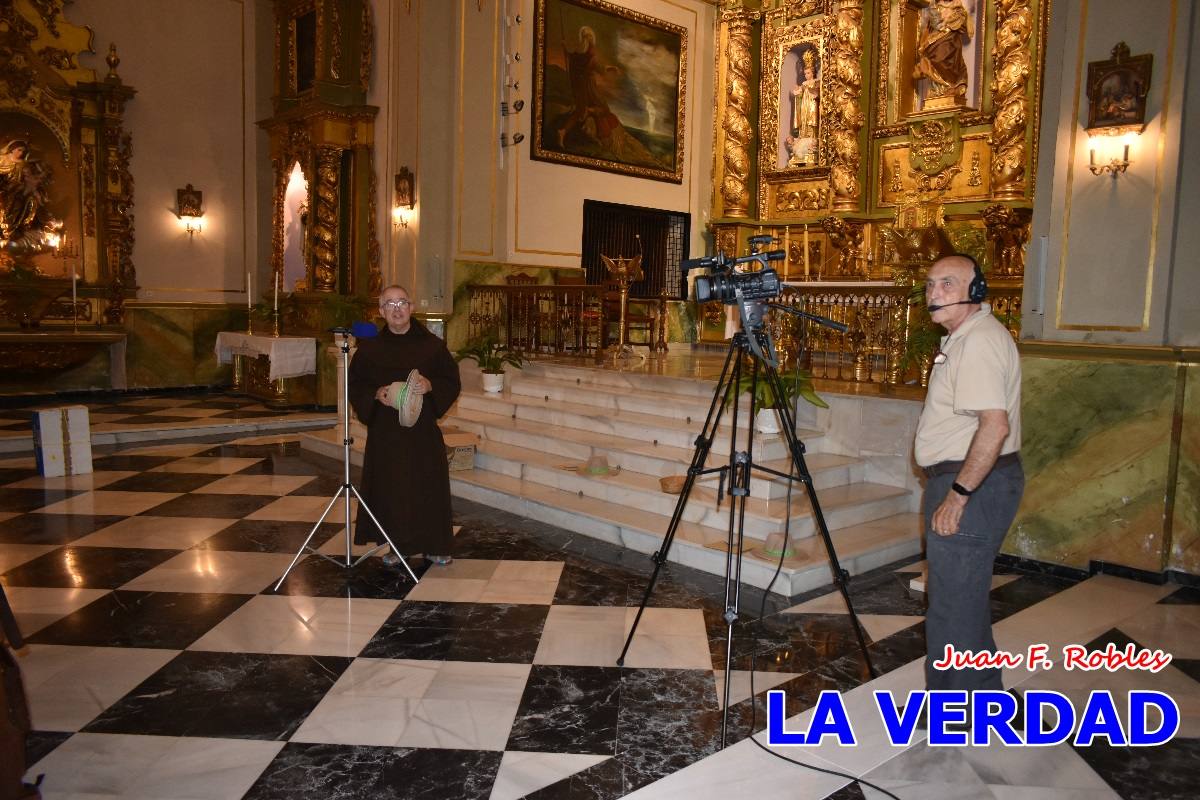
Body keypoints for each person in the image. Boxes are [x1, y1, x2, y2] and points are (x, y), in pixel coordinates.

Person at [914, 254, 1023, 693]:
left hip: (972, 483)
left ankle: (952, 712)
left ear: (975, 291)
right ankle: (984, 699)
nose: (934, 293)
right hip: (975, 479)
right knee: (963, 599)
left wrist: (958, 495)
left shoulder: (978, 341)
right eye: (930, 284)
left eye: (947, 284)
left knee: (953, 604)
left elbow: (994, 425)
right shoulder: (966, 338)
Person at [348, 285, 461, 567]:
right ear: (381, 312)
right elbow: (356, 384)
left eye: (402, 303)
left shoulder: (432, 346)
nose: (397, 309)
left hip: (421, 431)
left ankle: (436, 546)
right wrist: (376, 394)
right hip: (386, 434)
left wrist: (430, 384)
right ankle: (398, 546)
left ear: (411, 308)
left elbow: (451, 381)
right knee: (391, 489)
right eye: (390, 304)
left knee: (428, 486)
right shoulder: (369, 349)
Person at [912, 0, 972, 103]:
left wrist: (957, 19)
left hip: (951, 40)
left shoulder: (957, 6)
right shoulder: (935, 7)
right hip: (936, 39)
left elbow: (963, 26)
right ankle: (939, 89)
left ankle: (951, 86)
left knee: (947, 60)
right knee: (937, 59)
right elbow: (933, 23)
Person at [787, 49, 820, 166]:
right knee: (804, 121)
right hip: (805, 105)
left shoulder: (816, 82)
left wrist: (810, 88)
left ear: (813, 73)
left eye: (809, 73)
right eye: (805, 73)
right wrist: (797, 92)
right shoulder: (804, 84)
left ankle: (812, 138)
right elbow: (799, 92)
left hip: (812, 105)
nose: (807, 75)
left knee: (811, 122)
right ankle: (803, 136)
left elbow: (816, 93)